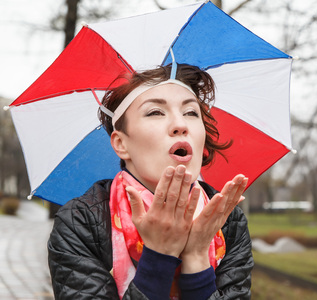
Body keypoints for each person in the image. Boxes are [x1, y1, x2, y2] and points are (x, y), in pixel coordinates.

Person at [47, 61, 253, 299]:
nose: (180, 125)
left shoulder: (227, 221)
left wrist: (196, 257)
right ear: (121, 144)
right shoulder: (81, 222)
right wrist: (159, 255)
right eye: (155, 112)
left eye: (191, 112)